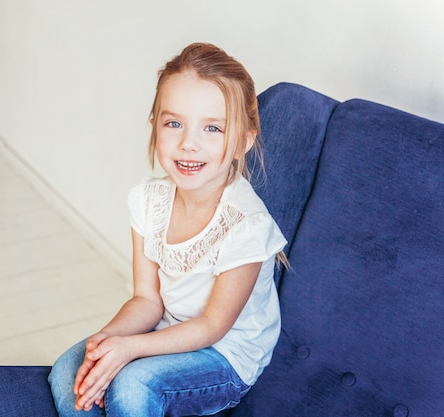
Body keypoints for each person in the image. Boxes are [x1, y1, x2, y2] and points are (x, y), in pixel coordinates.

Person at [48, 42, 288, 417]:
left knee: (133, 386)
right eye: (174, 123)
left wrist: (132, 349)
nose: (188, 143)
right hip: (167, 329)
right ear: (155, 126)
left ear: (243, 140)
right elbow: (148, 299)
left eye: (212, 128)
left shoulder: (246, 225)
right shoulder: (147, 201)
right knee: (68, 370)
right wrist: (107, 340)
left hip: (225, 356)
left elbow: (212, 326)